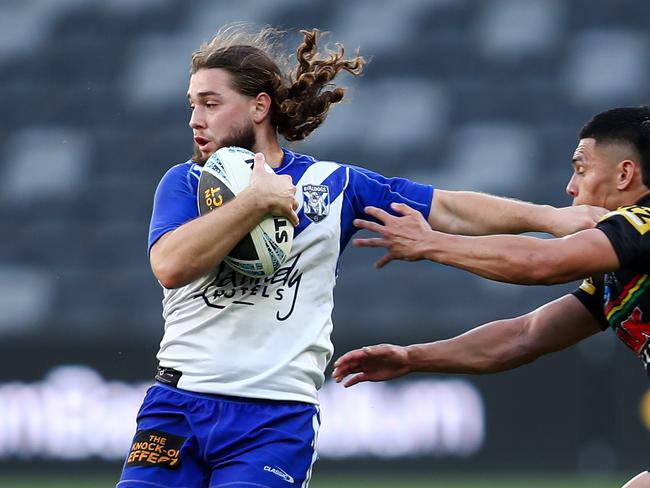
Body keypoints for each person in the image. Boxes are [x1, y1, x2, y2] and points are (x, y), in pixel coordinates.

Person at [117, 23, 603, 488]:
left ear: (259, 106)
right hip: (178, 405)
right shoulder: (185, 182)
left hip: (273, 418)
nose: (194, 120)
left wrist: (552, 218)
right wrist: (255, 201)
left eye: (210, 103)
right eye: (191, 105)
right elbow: (170, 267)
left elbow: (448, 207)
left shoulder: (334, 185)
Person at [332, 105, 650, 488]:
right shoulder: (618, 269)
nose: (570, 186)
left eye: (581, 168)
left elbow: (541, 262)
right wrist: (412, 357)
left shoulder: (644, 224)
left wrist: (431, 242)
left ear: (624, 174)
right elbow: (525, 336)